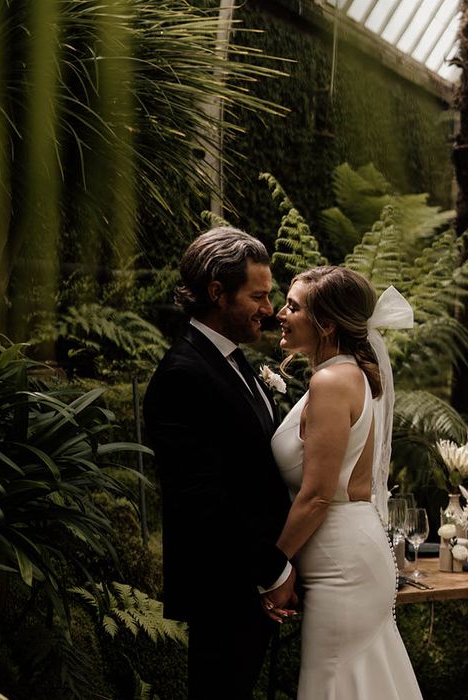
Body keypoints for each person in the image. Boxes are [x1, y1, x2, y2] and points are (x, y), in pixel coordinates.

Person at [143, 227, 297, 699]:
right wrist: (273, 571)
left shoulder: (231, 359)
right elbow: (202, 499)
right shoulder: (182, 375)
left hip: (252, 588)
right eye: (259, 296)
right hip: (226, 588)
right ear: (217, 293)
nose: (269, 311)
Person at [268, 266, 423, 699]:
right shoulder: (351, 372)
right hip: (346, 554)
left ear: (328, 323)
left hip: (342, 567)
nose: (281, 313)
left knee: (334, 682)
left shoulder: (332, 381)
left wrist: (273, 566)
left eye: (293, 306)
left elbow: (317, 495)